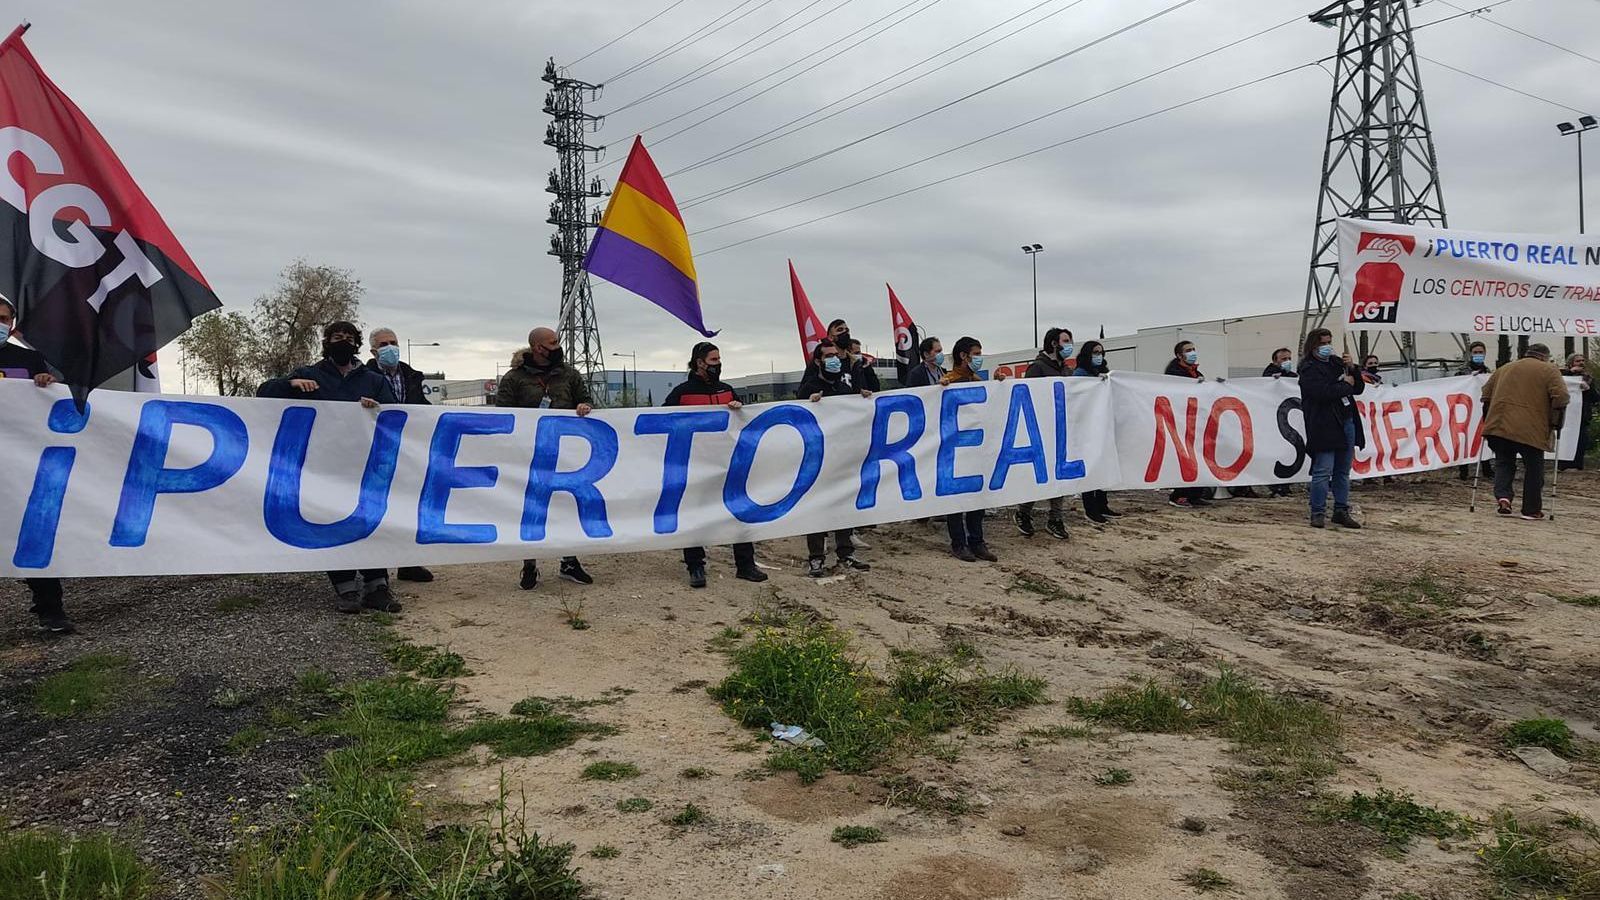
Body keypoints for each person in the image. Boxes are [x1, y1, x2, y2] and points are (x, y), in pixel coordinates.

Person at [258, 321, 403, 614]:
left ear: (357, 344)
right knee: (331, 522)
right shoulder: (310, 374)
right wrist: (290, 385)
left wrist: (375, 407)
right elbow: (263, 393)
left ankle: (377, 585)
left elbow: (394, 413)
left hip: (364, 464)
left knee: (370, 521)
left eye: (349, 338)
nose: (344, 342)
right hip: (324, 465)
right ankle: (345, 587)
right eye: (337, 337)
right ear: (326, 342)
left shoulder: (372, 379)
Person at [496, 327, 597, 589]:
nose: (557, 346)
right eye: (552, 342)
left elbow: (585, 400)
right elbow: (502, 415)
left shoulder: (569, 374)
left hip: (566, 452)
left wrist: (584, 407)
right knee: (532, 507)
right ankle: (529, 564)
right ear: (538, 348)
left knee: (565, 505)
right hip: (528, 454)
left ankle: (569, 561)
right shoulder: (514, 379)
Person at [664, 342, 769, 587]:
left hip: (727, 463)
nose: (718, 364)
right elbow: (663, 421)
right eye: (713, 360)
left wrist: (738, 409)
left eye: (719, 359)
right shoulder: (681, 393)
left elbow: (745, 422)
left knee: (738, 511)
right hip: (695, 464)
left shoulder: (727, 390)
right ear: (699, 362)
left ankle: (745, 564)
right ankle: (695, 566)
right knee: (695, 514)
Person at [1, 295, 74, 635]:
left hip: (20, 463)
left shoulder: (29, 359)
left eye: (4, 319)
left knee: (32, 532)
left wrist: (47, 386)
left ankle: (50, 609)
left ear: (12, 324)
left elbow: (47, 405)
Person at [797, 340, 873, 577]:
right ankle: (816, 558)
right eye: (828, 355)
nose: (834, 359)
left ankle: (845, 553)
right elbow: (798, 415)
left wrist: (862, 398)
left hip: (843, 455)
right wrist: (811, 403)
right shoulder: (809, 385)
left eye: (835, 355)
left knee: (844, 503)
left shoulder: (845, 384)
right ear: (818, 361)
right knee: (818, 507)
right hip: (818, 458)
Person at [366, 327, 435, 584]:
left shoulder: (411, 376)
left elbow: (421, 408)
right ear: (373, 350)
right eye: (384, 344)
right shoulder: (364, 377)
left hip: (408, 450)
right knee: (378, 506)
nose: (390, 347)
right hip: (376, 449)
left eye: (393, 342)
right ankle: (376, 566)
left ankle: (409, 562)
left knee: (408, 504)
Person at [1481, 343, 1569, 520]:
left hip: (1499, 424)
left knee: (1504, 463)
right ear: (1544, 356)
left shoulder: (1504, 368)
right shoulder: (1549, 369)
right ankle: (1531, 509)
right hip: (1531, 429)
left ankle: (1504, 498)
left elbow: (1485, 394)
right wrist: (1555, 419)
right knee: (1534, 468)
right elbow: (1561, 397)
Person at [941, 337, 1008, 561]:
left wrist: (998, 385)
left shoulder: (975, 379)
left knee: (978, 498)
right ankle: (959, 543)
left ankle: (977, 541)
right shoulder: (949, 381)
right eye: (976, 354)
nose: (979, 358)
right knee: (956, 500)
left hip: (976, 448)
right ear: (964, 356)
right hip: (955, 449)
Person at [1298, 328, 1364, 530]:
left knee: (1343, 471)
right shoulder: (1308, 369)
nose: (1327, 347)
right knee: (1323, 470)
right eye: (1322, 343)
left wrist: (1353, 369)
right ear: (1313, 346)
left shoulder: (1338, 363)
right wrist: (1345, 385)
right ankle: (1317, 512)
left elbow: (1358, 388)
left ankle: (1341, 509)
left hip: (1346, 420)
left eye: (1329, 342)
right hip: (1324, 425)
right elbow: (1322, 393)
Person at [1014, 328, 1074, 538]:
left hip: (1060, 431)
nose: (1069, 345)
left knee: (1059, 476)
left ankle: (1056, 518)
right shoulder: (1037, 368)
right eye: (1066, 341)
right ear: (1054, 343)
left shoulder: (1066, 371)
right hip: (1040, 430)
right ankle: (1023, 512)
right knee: (1038, 475)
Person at [1073, 341, 1123, 525]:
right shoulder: (1080, 374)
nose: (1099, 356)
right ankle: (1090, 508)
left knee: (1103, 466)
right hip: (1088, 428)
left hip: (1103, 426)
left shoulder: (1103, 373)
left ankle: (1102, 504)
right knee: (1091, 468)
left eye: (1101, 352)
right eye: (1095, 352)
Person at [1163, 341, 1212, 509]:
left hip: (1194, 420)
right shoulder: (1174, 373)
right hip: (1182, 420)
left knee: (1199, 456)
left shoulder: (1195, 372)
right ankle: (1179, 495)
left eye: (1193, 349)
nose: (1192, 352)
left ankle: (1195, 494)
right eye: (1188, 350)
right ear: (1179, 355)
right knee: (1186, 458)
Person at [1261, 348, 1297, 497]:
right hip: (1274, 420)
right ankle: (1276, 486)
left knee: (1290, 452)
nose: (1287, 362)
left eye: (1289, 358)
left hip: (1289, 419)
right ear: (1275, 361)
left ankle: (1286, 485)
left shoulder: (1292, 376)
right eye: (1284, 359)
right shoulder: (1268, 375)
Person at [1457, 342, 1494, 481]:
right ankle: (1463, 470)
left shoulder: (1487, 371)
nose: (1478, 355)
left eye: (1481, 352)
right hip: (1466, 409)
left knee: (1484, 437)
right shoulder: (1463, 370)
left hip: (1482, 408)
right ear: (1470, 354)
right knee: (1465, 438)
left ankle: (1486, 467)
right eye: (1475, 352)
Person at [1558, 354, 1596, 471]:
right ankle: (1563, 464)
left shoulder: (1588, 378)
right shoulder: (1562, 375)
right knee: (1565, 439)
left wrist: (1589, 388)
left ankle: (1577, 464)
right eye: (1578, 361)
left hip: (1582, 415)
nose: (1581, 363)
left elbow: (1594, 398)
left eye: (1583, 361)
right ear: (1571, 363)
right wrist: (1570, 374)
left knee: (1581, 440)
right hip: (1566, 414)